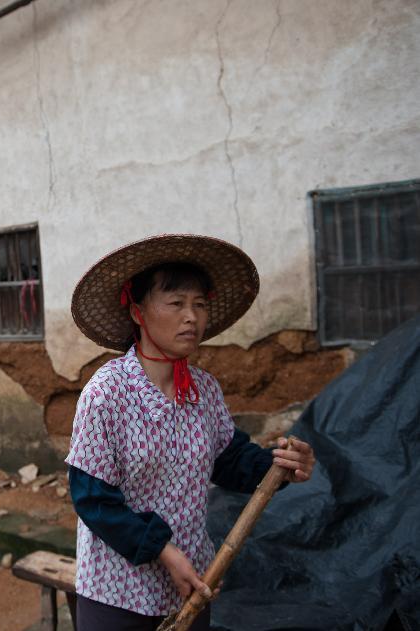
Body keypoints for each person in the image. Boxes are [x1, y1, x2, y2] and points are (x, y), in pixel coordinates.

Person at [65, 234, 315, 630]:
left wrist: (278, 464)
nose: (192, 317)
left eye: (200, 305)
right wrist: (162, 550)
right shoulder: (106, 393)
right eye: (176, 303)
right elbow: (93, 500)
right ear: (137, 312)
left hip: (192, 585)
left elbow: (229, 460)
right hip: (118, 594)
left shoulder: (203, 389)